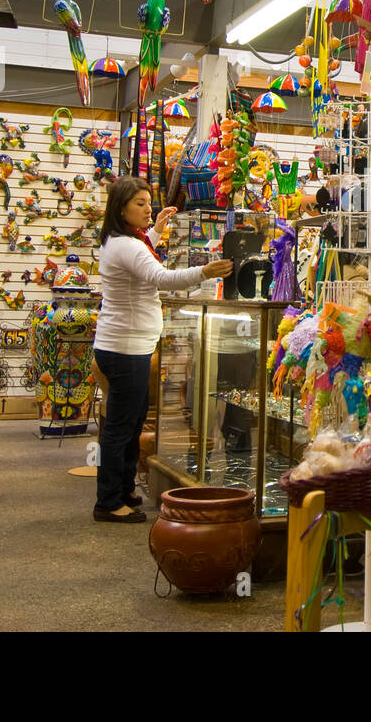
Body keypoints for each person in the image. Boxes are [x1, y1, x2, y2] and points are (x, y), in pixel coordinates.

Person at [92, 176, 231, 522]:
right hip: (125, 349)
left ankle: (123, 489)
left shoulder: (124, 240)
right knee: (122, 426)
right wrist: (205, 271)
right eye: (139, 203)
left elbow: (140, 263)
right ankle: (108, 502)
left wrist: (154, 231)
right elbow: (161, 278)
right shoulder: (128, 246)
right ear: (121, 208)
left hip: (124, 346)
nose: (146, 207)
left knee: (131, 421)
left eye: (147, 202)